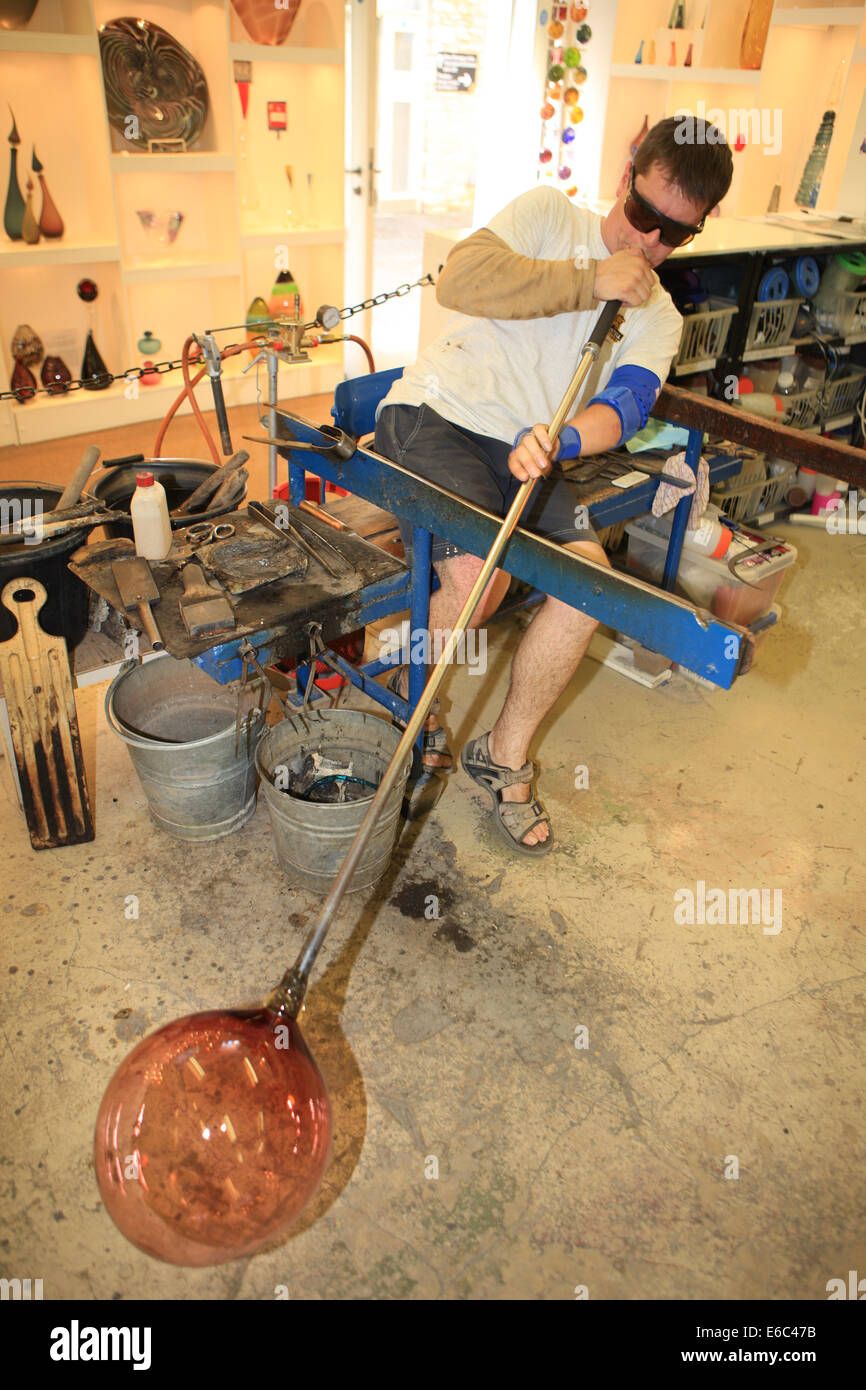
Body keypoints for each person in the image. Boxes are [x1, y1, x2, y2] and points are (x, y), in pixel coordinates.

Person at [374, 116, 733, 857]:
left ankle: (502, 757)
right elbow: (460, 279)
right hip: (438, 413)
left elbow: (627, 407)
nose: (647, 243)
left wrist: (565, 438)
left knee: (586, 588)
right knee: (481, 576)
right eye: (641, 215)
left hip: (532, 448)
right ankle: (412, 710)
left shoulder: (658, 318)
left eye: (672, 234)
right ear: (624, 177)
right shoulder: (546, 215)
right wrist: (585, 281)